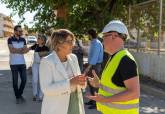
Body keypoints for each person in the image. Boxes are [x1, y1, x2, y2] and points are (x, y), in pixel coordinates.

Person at [86, 20, 140, 114]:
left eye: (104, 36)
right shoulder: (114, 57)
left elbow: (134, 93)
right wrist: (98, 84)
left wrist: (105, 100)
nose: (102, 41)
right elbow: (115, 85)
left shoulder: (125, 60)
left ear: (114, 35)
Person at [39, 29, 86, 114]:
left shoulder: (73, 57)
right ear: (58, 44)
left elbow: (78, 81)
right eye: (69, 41)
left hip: (75, 102)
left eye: (72, 41)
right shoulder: (47, 61)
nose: (73, 44)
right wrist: (70, 82)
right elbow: (46, 89)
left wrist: (83, 82)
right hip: (57, 107)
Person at [7, 25, 27, 104]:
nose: (20, 32)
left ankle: (19, 94)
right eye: (19, 31)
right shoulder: (10, 39)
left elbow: (25, 50)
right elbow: (11, 50)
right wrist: (20, 50)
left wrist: (17, 50)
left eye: (21, 31)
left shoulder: (23, 39)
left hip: (22, 63)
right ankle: (17, 97)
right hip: (13, 63)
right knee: (15, 82)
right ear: (15, 31)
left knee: (24, 80)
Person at [85, 28, 103, 109]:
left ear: (90, 35)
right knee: (90, 83)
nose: (87, 36)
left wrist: (88, 67)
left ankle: (96, 103)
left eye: (88, 34)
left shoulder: (96, 43)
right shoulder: (93, 42)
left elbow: (95, 57)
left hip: (95, 65)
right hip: (92, 65)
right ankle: (93, 100)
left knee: (95, 84)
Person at [29, 34, 49, 101]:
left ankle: (41, 96)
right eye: (38, 38)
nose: (38, 39)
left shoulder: (46, 48)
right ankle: (34, 94)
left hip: (42, 65)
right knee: (35, 80)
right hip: (35, 65)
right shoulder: (35, 46)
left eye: (39, 38)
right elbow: (27, 49)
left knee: (41, 81)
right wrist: (21, 50)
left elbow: (44, 55)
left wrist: (40, 54)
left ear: (43, 40)